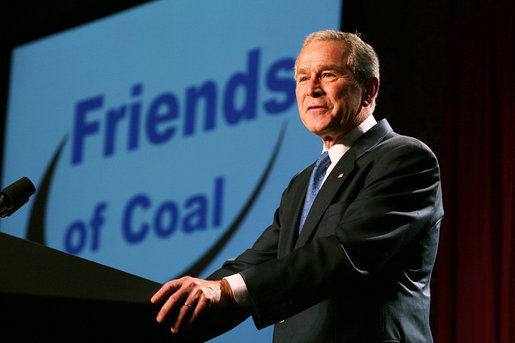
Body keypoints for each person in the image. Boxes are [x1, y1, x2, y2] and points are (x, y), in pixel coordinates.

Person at [151, 30, 444, 343]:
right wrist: (179, 305)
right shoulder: (304, 182)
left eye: (328, 74)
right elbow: (257, 263)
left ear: (369, 90)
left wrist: (225, 290)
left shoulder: (404, 158)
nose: (312, 89)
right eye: (303, 78)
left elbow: (345, 253)